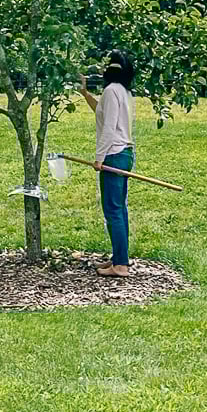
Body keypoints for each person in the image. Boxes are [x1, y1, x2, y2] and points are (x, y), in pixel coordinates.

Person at [79, 50, 137, 277]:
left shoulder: (112, 91)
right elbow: (102, 113)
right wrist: (85, 94)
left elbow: (110, 127)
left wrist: (99, 158)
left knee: (113, 210)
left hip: (114, 154)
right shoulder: (122, 91)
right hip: (124, 154)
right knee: (119, 209)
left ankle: (121, 265)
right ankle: (119, 257)